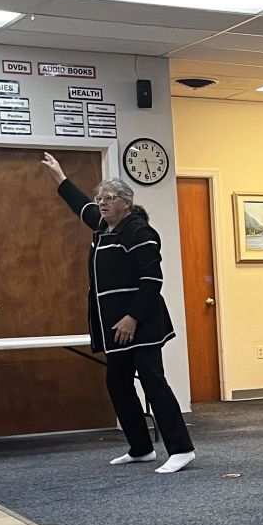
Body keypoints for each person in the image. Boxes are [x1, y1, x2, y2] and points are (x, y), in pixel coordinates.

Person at [40, 153, 196, 474]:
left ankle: (181, 450)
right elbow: (80, 206)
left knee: (154, 383)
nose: (102, 203)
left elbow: (152, 280)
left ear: (127, 202)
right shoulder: (104, 228)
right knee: (118, 384)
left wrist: (132, 317)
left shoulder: (139, 232)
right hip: (114, 330)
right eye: (101, 198)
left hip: (141, 325)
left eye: (110, 198)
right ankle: (140, 448)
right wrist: (60, 177)